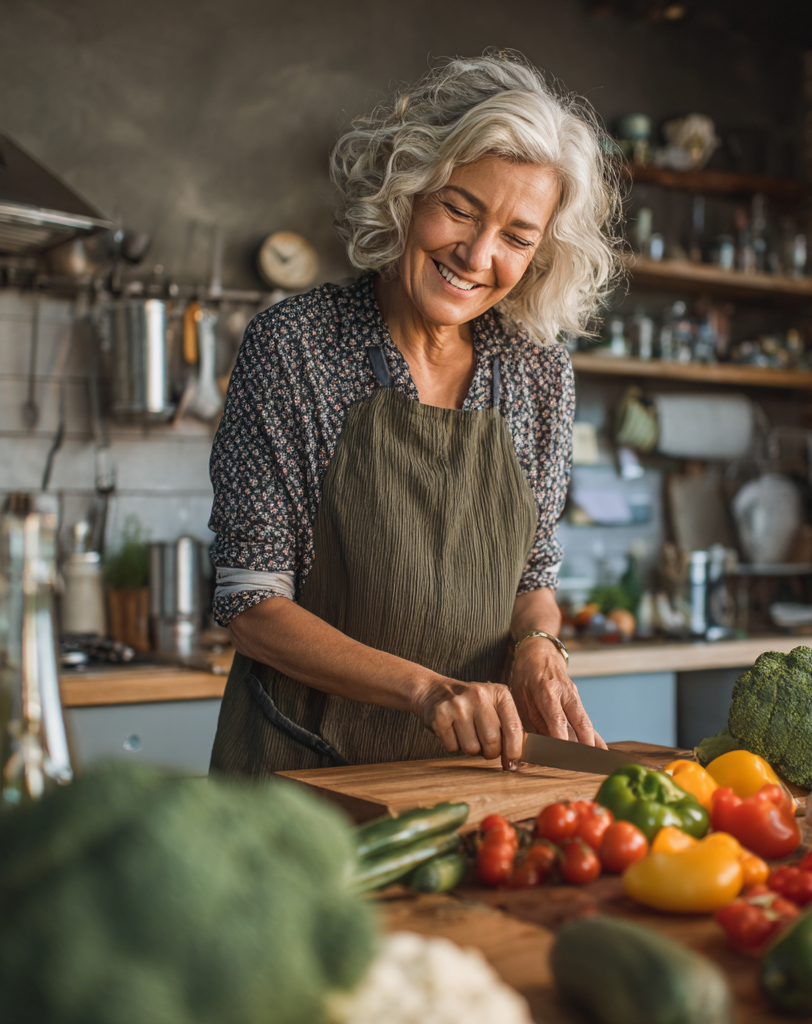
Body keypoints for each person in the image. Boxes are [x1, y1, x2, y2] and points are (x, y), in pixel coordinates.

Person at [209, 52, 621, 778]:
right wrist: (427, 690)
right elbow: (251, 604)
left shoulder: (539, 373)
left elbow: (534, 581)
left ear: (542, 255)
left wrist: (538, 648)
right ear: (407, 190)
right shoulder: (296, 347)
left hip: (473, 781)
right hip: (301, 778)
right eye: (460, 208)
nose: (478, 254)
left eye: (518, 238)